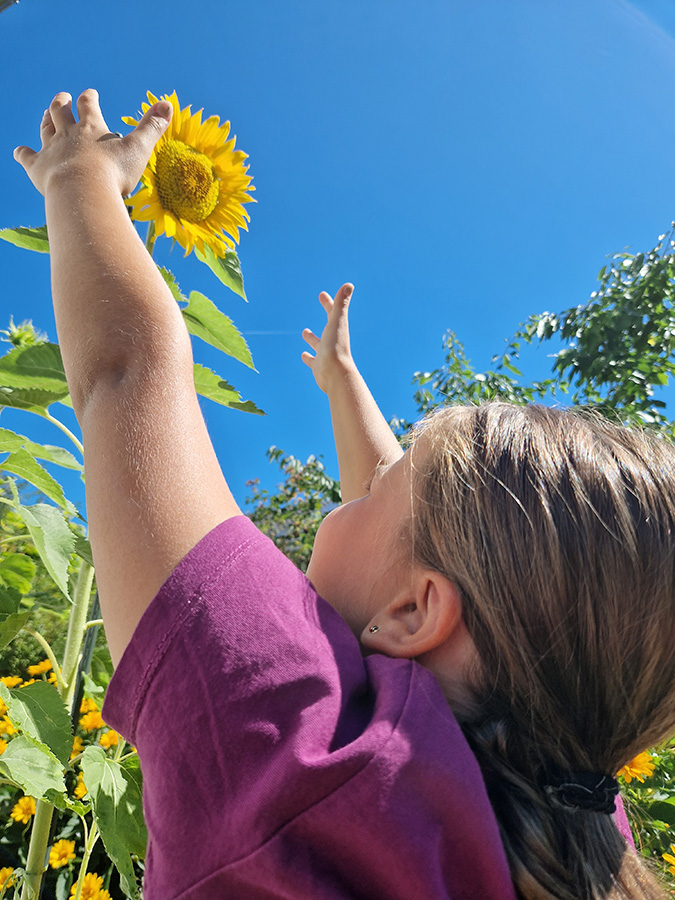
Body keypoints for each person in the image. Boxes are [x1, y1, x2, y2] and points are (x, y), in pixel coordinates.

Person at [13, 90, 675, 900]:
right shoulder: (577, 829)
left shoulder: (297, 736)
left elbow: (126, 372)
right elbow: (421, 552)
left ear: (413, 614)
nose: (356, 486)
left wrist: (78, 178)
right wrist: (343, 383)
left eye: (378, 487)